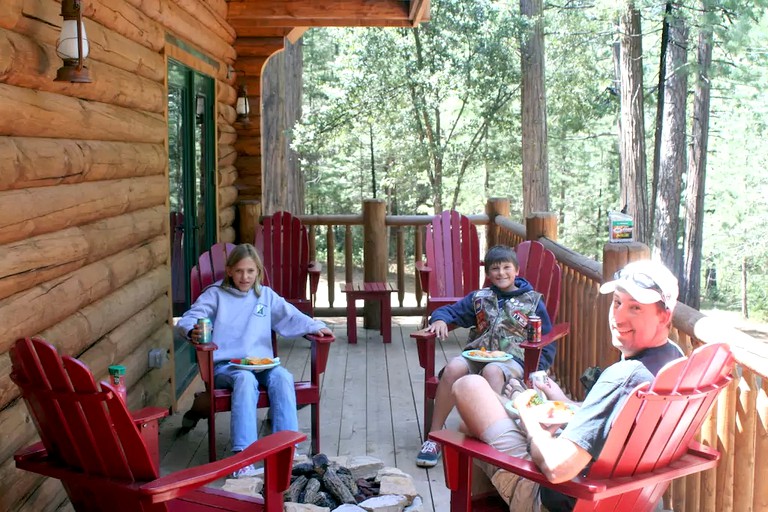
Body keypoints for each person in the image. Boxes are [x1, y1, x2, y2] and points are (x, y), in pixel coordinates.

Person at [451, 259, 683, 511]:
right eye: (617, 302)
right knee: (481, 407)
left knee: (468, 389)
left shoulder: (625, 377)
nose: (618, 317)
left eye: (635, 308)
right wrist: (563, 401)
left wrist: (530, 421)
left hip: (562, 494)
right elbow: (616, 419)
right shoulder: (674, 362)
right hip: (630, 495)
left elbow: (556, 468)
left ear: (664, 316)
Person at [175, 243, 332, 478]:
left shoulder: (265, 295)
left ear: (258, 271)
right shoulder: (215, 294)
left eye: (250, 271)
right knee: (245, 380)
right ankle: (243, 457)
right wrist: (192, 331)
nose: (245, 277)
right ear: (229, 271)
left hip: (262, 363)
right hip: (226, 366)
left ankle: (288, 448)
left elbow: (292, 316)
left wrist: (317, 326)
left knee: (282, 376)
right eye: (239, 271)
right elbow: (190, 318)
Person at [416, 245, 554, 468]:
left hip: (514, 360)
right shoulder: (480, 298)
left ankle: (488, 437)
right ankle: (434, 437)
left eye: (506, 267)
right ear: (488, 274)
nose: (501, 273)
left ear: (516, 270)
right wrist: (439, 319)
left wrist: (538, 368)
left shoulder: (533, 301)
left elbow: (546, 337)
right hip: (478, 354)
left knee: (492, 371)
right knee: (453, 368)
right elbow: (449, 311)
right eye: (495, 269)